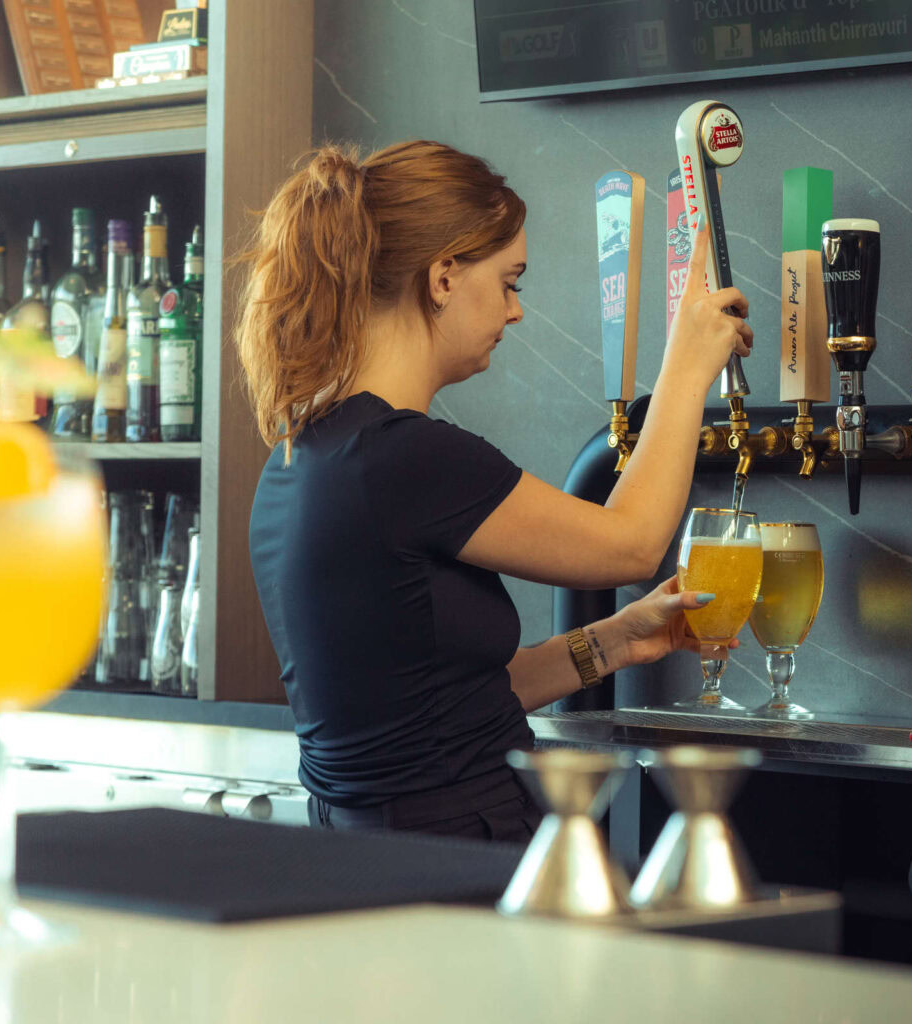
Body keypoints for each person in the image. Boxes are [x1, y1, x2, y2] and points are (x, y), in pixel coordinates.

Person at [237, 141, 751, 840]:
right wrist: (687, 365)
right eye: (510, 282)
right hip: (459, 852)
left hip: (369, 850)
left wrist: (615, 642)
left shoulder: (303, 454)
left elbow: (439, 714)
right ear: (443, 276)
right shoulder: (407, 456)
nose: (515, 312)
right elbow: (633, 545)